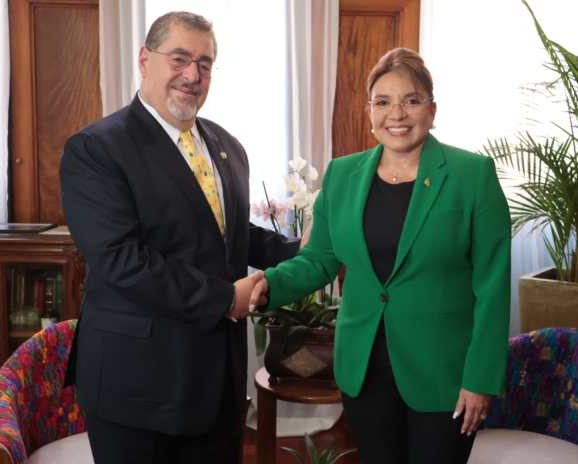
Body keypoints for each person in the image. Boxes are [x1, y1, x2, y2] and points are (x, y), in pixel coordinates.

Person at [250, 48, 511, 463]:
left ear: (432, 108)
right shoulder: (342, 174)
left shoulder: (472, 175)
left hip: (443, 373)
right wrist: (268, 286)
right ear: (369, 111)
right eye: (383, 102)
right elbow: (319, 258)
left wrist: (481, 379)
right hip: (364, 369)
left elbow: (493, 288)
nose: (398, 114)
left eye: (412, 100)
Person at [60, 11, 299, 464]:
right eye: (180, 58)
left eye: (205, 63)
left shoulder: (228, 146)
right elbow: (121, 260)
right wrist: (227, 298)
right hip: (138, 386)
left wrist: (306, 251)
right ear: (144, 60)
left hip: (217, 384)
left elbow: (229, 235)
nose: (193, 74)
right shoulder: (97, 148)